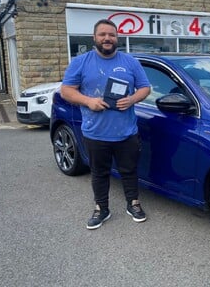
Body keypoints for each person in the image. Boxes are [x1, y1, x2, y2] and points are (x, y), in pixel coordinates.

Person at [61, 18, 151, 230]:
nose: (107, 38)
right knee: (99, 173)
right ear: (94, 37)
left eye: (111, 35)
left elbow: (145, 88)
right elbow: (67, 90)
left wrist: (132, 99)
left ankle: (133, 203)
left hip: (126, 132)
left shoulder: (130, 62)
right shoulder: (81, 62)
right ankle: (102, 208)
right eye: (103, 34)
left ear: (117, 38)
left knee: (129, 170)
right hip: (95, 132)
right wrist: (88, 101)